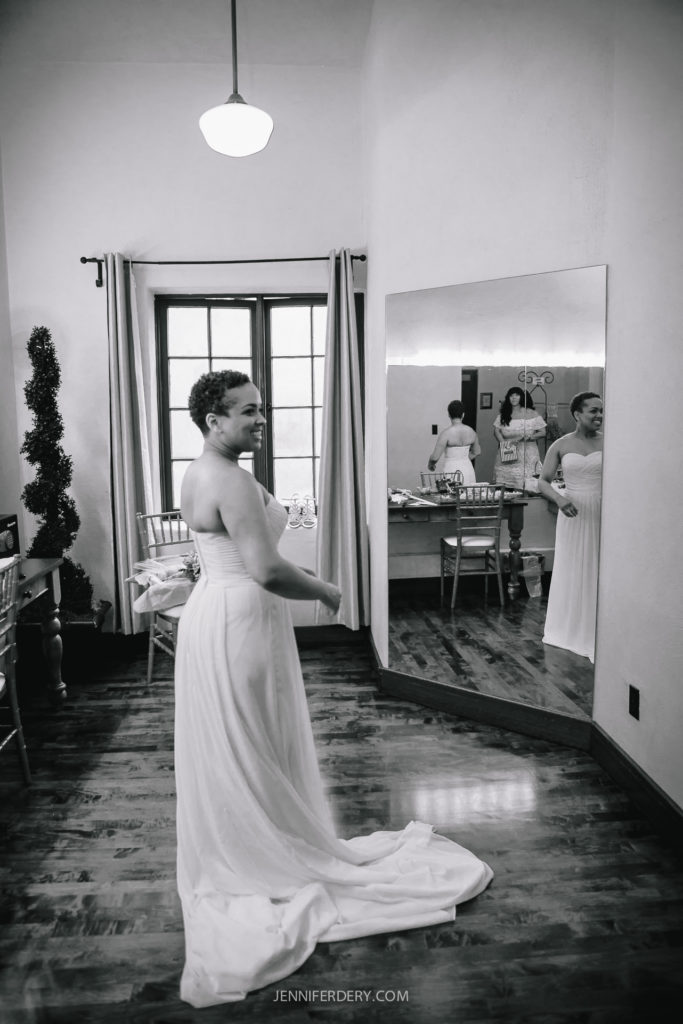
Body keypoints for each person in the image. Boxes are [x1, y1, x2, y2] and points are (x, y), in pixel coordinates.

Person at [174, 370, 493, 1007]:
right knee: (253, 738)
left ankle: (253, 839)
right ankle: (265, 851)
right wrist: (325, 590)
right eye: (247, 412)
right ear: (213, 420)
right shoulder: (229, 478)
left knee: (247, 741)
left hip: (218, 610)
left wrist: (305, 573)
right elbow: (264, 569)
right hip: (240, 617)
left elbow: (246, 554)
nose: (260, 420)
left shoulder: (201, 469)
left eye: (262, 409)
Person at [537, 391, 603, 662]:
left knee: (599, 566)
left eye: (601, 411)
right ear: (577, 414)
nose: (599, 416)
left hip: (602, 511)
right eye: (593, 411)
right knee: (574, 566)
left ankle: (600, 628)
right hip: (572, 513)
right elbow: (543, 480)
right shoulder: (561, 444)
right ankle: (569, 627)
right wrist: (560, 499)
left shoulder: (611, 443)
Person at [492, 387, 546, 489]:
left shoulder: (532, 413)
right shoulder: (504, 414)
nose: (514, 398)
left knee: (527, 484)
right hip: (508, 451)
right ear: (508, 398)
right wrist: (504, 444)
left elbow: (543, 432)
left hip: (528, 452)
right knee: (506, 485)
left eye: (517, 395)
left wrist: (530, 436)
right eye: (511, 396)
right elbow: (496, 431)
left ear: (522, 397)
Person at [427, 399, 480, 484]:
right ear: (463, 414)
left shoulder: (446, 434)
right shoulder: (472, 432)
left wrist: (430, 465)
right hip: (467, 468)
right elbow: (477, 452)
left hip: (451, 469)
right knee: (468, 495)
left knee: (451, 495)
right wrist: (462, 459)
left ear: (449, 414)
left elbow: (435, 457)